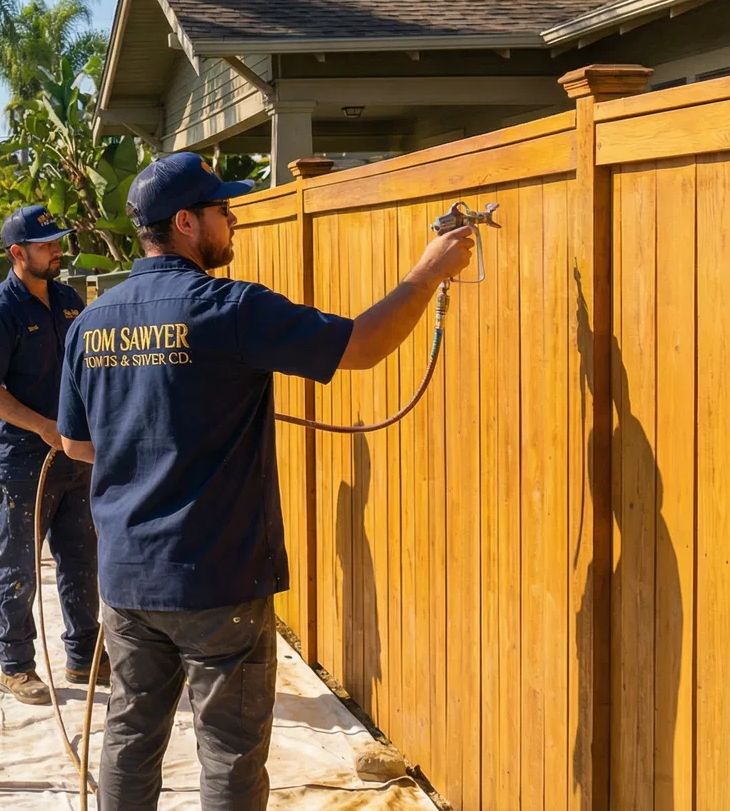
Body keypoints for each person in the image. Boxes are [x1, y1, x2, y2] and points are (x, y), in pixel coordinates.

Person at [56, 153, 474, 810]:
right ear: (188, 222)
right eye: (224, 210)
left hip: (128, 581)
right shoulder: (230, 309)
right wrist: (430, 271)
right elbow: (361, 345)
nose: (234, 219)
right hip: (216, 583)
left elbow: (77, 443)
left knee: (130, 741)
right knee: (228, 756)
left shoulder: (91, 324)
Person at [0, 204, 100, 706]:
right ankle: (16, 665)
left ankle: (84, 656)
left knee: (81, 556)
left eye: (57, 242)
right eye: (46, 245)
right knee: (20, 560)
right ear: (18, 253)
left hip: (73, 454)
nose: (56, 251)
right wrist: (43, 426)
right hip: (22, 459)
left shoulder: (68, 299)